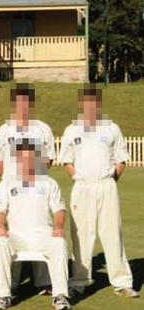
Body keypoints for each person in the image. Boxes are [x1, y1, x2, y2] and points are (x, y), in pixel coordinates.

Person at [59, 85, 138, 298]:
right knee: (81, 236)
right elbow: (65, 160)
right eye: (87, 104)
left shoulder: (111, 128)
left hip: (106, 187)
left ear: (98, 105)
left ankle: (122, 282)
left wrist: (111, 178)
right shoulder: (72, 130)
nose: (90, 108)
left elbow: (121, 159)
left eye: (94, 104)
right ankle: (78, 282)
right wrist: (77, 176)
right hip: (82, 187)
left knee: (112, 233)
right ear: (82, 105)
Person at [0, 140, 71, 310]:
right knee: (0, 242)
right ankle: (3, 296)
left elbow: (59, 210)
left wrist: (58, 226)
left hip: (42, 235)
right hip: (16, 235)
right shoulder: (7, 182)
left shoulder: (49, 182)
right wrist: (0, 226)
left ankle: (60, 295)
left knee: (59, 242)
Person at [0, 83, 55, 292]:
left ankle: (43, 281)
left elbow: (48, 159)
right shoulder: (4, 130)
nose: (22, 107)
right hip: (12, 188)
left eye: (26, 103)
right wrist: (10, 180)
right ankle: (13, 281)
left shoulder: (42, 129)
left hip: (37, 189)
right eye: (19, 103)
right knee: (11, 229)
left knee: (41, 226)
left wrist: (35, 179)